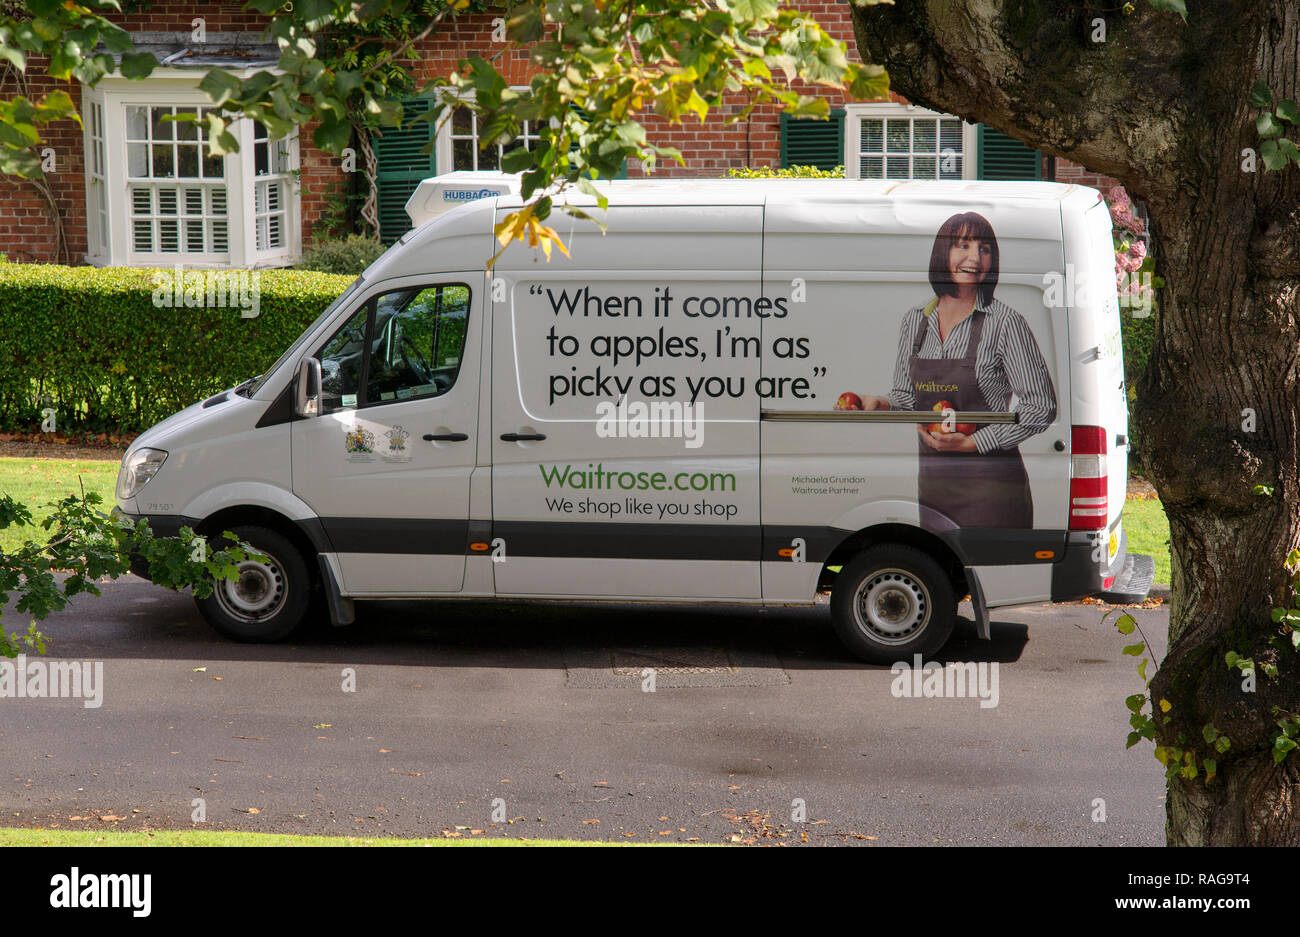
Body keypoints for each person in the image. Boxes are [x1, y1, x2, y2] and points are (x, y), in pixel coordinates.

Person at [836, 211, 1057, 529]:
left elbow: (1041, 407)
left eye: (984, 249)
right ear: (943, 253)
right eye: (962, 245)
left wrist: (976, 442)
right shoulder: (915, 321)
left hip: (992, 490)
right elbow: (908, 399)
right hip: (934, 487)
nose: (975, 258)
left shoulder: (1005, 323)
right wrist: (878, 403)